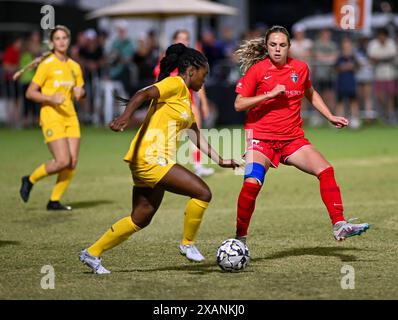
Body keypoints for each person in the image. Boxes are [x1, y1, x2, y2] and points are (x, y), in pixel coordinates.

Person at [79, 43, 240, 274]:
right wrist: (125, 116)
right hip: (151, 158)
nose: (204, 81)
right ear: (191, 70)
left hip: (147, 160)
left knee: (140, 218)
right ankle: (187, 244)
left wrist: (220, 159)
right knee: (203, 192)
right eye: (204, 75)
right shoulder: (174, 84)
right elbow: (143, 93)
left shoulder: (185, 98)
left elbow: (195, 135)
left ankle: (92, 253)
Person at [233, 26, 369, 245]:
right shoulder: (258, 70)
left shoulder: (300, 68)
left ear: (289, 46)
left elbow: (311, 93)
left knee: (325, 170)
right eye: (273, 45)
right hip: (261, 140)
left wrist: (329, 116)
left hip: (292, 139)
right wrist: (269, 94)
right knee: (252, 183)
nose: (277, 49)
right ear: (267, 47)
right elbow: (239, 103)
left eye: (282, 45)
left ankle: (340, 225)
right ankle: (240, 238)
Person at [19, 25, 85, 211]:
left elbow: (79, 92)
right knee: (62, 161)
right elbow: (30, 93)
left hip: (70, 117)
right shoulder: (47, 65)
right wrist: (50, 97)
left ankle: (54, 201)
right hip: (51, 116)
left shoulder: (74, 67)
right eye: (57, 38)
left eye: (64, 37)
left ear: (69, 40)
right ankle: (30, 179)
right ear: (52, 42)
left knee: (71, 163)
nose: (61, 41)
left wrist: (81, 92)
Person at [154, 29, 215, 177]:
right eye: (181, 38)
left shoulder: (191, 60)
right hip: (171, 104)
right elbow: (158, 80)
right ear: (174, 40)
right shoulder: (168, 59)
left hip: (190, 102)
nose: (184, 41)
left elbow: (200, 82)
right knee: (172, 136)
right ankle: (163, 162)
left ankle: (198, 165)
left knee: (195, 134)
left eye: (186, 38)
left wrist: (204, 103)